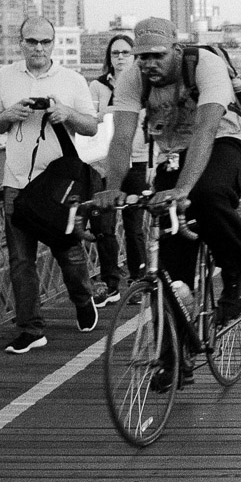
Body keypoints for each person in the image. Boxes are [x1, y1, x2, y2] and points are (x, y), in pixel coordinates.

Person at [96, 17, 241, 330]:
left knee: (208, 196)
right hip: (174, 152)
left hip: (227, 140)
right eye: (142, 57)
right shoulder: (133, 79)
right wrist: (111, 188)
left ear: (177, 49)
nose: (149, 64)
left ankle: (234, 274)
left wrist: (182, 190)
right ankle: (171, 360)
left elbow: (206, 130)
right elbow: (120, 138)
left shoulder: (205, 65)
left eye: (158, 55)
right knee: (169, 256)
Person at [0, 16, 100, 353]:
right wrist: (9, 116)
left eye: (45, 42)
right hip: (17, 183)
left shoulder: (72, 80)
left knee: (70, 253)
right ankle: (31, 329)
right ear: (20, 43)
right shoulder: (4, 77)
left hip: (58, 187)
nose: (38, 48)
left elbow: (91, 127)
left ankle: (83, 299)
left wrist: (66, 113)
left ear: (53, 44)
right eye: (32, 41)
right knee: (21, 261)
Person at [86, 33, 148, 306]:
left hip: (137, 159)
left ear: (134, 56)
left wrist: (111, 111)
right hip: (103, 164)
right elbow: (90, 119)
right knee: (104, 225)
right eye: (115, 53)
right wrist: (118, 108)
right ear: (109, 58)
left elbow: (148, 118)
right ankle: (111, 283)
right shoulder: (97, 86)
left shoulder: (145, 84)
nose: (120, 57)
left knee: (134, 226)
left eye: (125, 52)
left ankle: (138, 279)